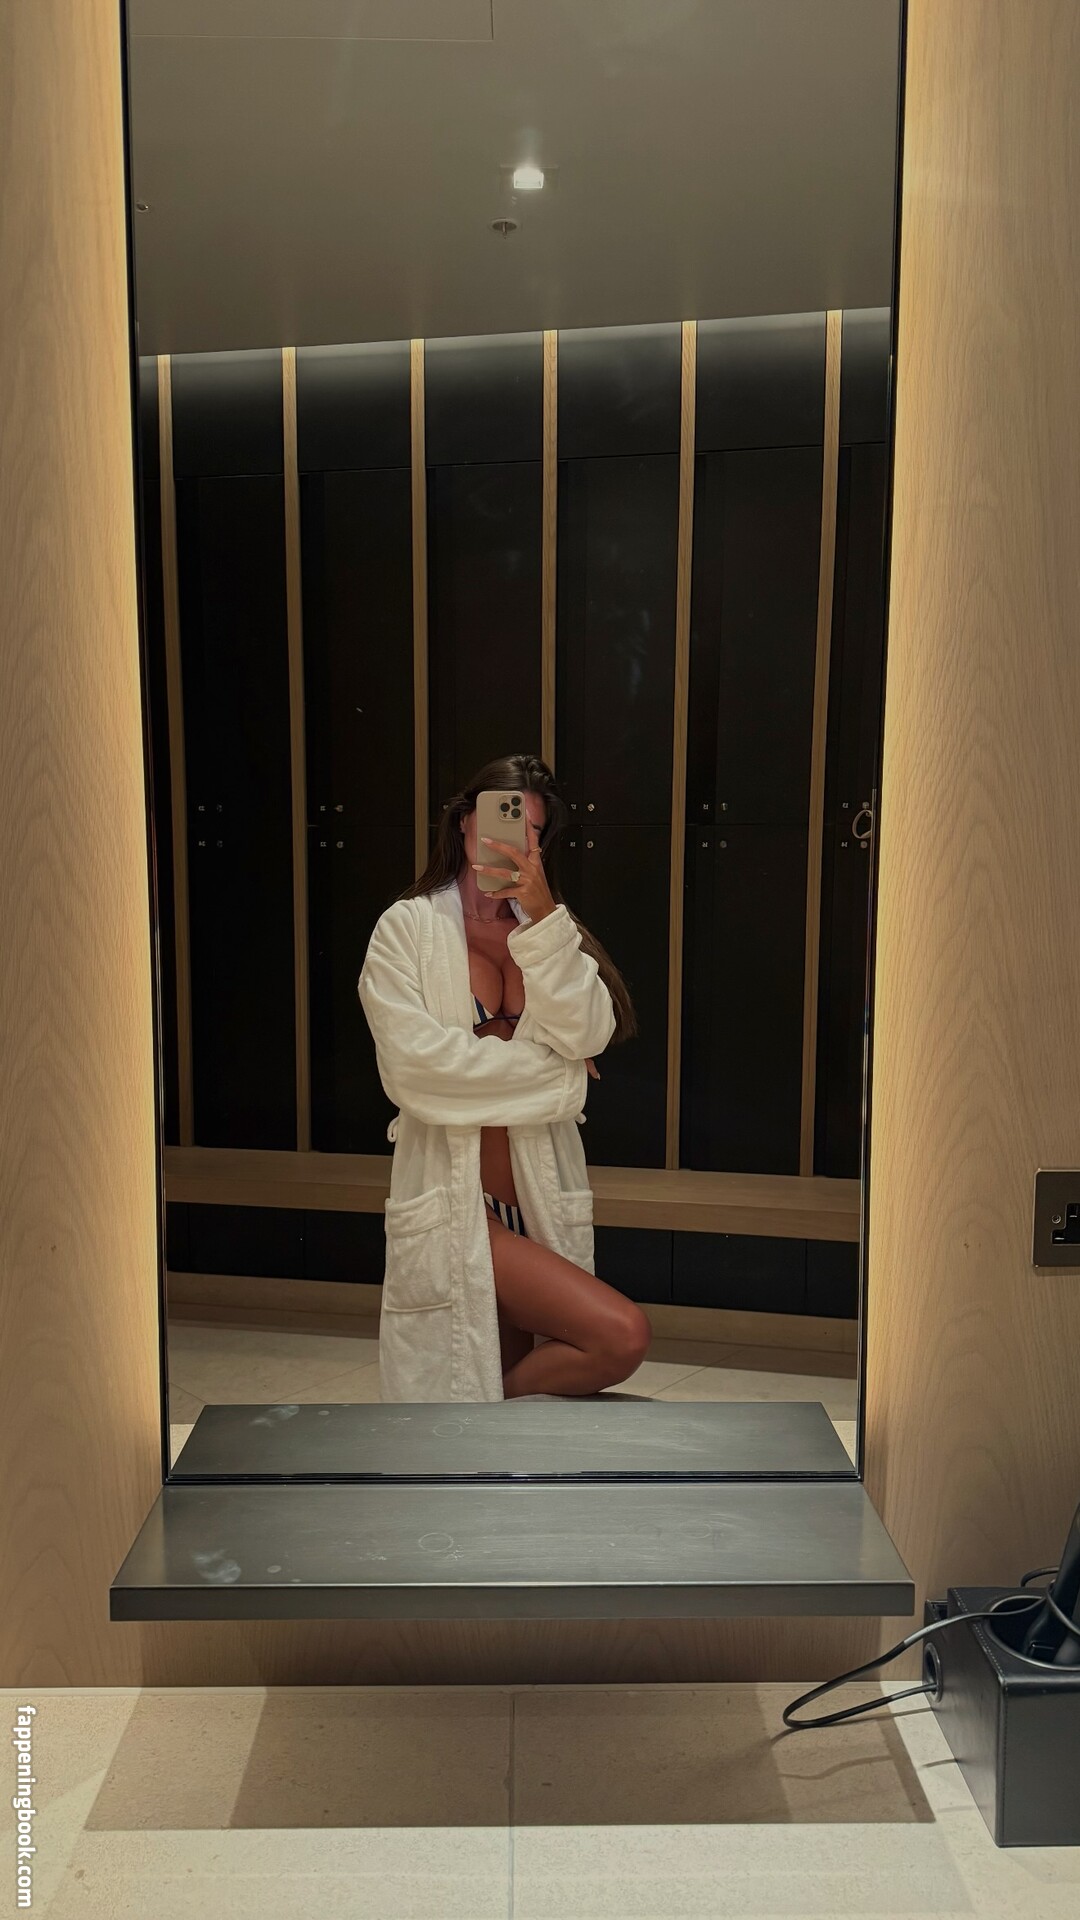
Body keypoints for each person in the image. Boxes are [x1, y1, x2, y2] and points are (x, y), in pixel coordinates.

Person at [357, 752, 652, 1402]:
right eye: (502, 822)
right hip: (455, 1206)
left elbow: (589, 1032)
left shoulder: (547, 932)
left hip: (538, 1200)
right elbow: (417, 1073)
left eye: (531, 832)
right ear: (465, 821)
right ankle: (456, 1427)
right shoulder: (407, 930)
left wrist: (545, 921)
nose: (514, 842)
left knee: (505, 1407)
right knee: (620, 1336)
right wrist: (559, 1080)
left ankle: (456, 1430)